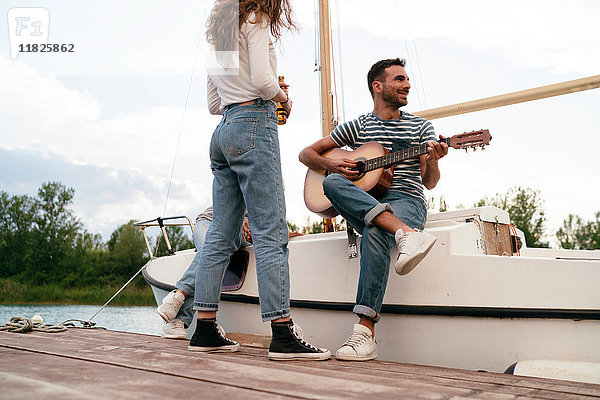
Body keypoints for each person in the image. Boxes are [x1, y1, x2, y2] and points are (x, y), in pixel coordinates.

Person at [189, 0, 329, 360]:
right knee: (271, 232)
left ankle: (204, 327)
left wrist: (239, 100)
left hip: (223, 132)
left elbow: (212, 104)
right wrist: (283, 98)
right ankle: (282, 333)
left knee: (221, 232)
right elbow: (264, 82)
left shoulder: (218, 33)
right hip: (254, 125)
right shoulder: (256, 18)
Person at [298, 58, 448, 361]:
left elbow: (429, 183)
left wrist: (433, 159)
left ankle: (364, 333)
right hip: (367, 199)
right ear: (377, 87)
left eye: (407, 80)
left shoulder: (421, 127)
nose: (407, 85)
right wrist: (332, 164)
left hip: (407, 199)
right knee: (332, 184)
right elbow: (306, 154)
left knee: (375, 231)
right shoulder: (359, 125)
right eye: (399, 80)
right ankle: (406, 234)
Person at [156, 207, 250, 339]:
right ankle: (186, 314)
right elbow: (235, 201)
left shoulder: (275, 201)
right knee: (212, 252)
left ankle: (178, 309)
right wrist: (242, 220)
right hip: (210, 221)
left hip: (237, 233)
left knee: (215, 256)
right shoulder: (254, 187)